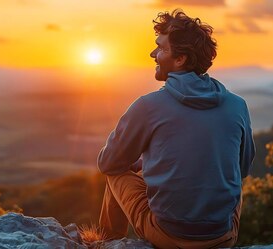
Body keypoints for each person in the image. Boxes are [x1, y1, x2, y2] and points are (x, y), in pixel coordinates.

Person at [96, 9, 255, 249]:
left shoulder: (148, 106)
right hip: (222, 237)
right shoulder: (238, 105)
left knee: (116, 173)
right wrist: (147, 164)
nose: (153, 53)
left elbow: (108, 163)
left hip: (168, 235)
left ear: (180, 59)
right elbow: (241, 169)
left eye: (160, 48)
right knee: (228, 175)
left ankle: (107, 243)